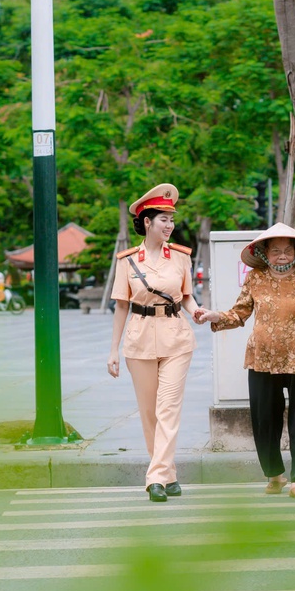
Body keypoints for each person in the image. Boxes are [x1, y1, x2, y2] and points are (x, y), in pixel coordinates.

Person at [195, 224, 295, 498]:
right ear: (265, 254)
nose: (282, 256)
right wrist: (214, 316)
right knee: (264, 419)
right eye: (275, 251)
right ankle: (275, 475)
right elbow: (239, 315)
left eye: (287, 250)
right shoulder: (255, 280)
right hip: (262, 358)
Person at [107, 183, 200, 503]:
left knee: (168, 408)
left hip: (176, 337)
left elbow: (187, 297)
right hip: (139, 337)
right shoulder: (127, 261)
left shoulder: (181, 258)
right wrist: (113, 350)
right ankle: (168, 474)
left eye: (172, 220)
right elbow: (121, 305)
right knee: (149, 412)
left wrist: (198, 310)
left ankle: (155, 477)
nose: (170, 226)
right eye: (163, 220)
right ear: (147, 222)